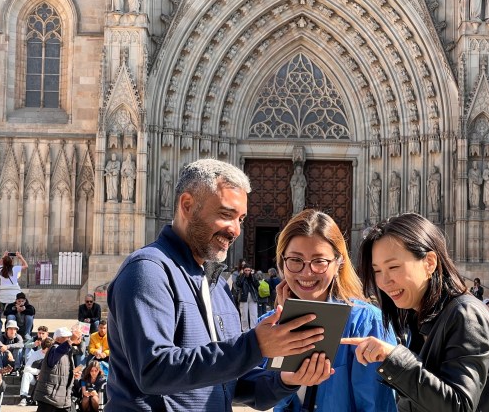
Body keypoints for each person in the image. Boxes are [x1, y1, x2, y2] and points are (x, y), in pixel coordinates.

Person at [105, 158, 332, 411]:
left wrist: (286, 381)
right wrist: (254, 345)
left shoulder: (216, 285)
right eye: (226, 215)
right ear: (187, 205)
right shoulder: (148, 271)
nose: (235, 230)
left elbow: (229, 382)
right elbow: (154, 370)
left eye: (241, 219)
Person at [342, 213, 489, 411]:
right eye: (377, 271)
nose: (383, 281)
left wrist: (394, 359)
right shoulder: (415, 317)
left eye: (394, 267)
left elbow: (459, 406)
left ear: (429, 263)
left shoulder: (465, 315)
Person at [253, 209, 397, 412]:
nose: (307, 272)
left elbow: (378, 406)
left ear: (339, 262)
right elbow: (256, 395)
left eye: (319, 261)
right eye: (295, 260)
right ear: (281, 262)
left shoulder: (366, 323)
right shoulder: (269, 324)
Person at [32, 327, 84, 412]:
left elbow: (59, 371)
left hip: (62, 397)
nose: (68, 339)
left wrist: (72, 375)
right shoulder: (54, 348)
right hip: (49, 398)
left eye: (69, 337)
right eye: (67, 337)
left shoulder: (67, 351)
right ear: (58, 339)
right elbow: (58, 353)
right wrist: (70, 340)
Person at [18, 337, 53, 406]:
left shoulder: (54, 355)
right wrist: (39, 372)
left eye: (45, 349)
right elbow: (26, 368)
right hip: (36, 378)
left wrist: (43, 374)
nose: (43, 351)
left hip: (49, 380)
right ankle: (23, 397)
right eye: (42, 348)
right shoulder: (36, 353)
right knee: (26, 374)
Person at [236, 265, 259, 332]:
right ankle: (245, 330)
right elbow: (239, 284)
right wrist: (243, 275)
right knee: (244, 315)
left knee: (254, 314)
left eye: (249, 270)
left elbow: (257, 285)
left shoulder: (253, 277)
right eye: (246, 270)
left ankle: (253, 329)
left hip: (253, 297)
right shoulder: (240, 277)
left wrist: (252, 276)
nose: (247, 272)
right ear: (243, 271)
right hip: (243, 297)